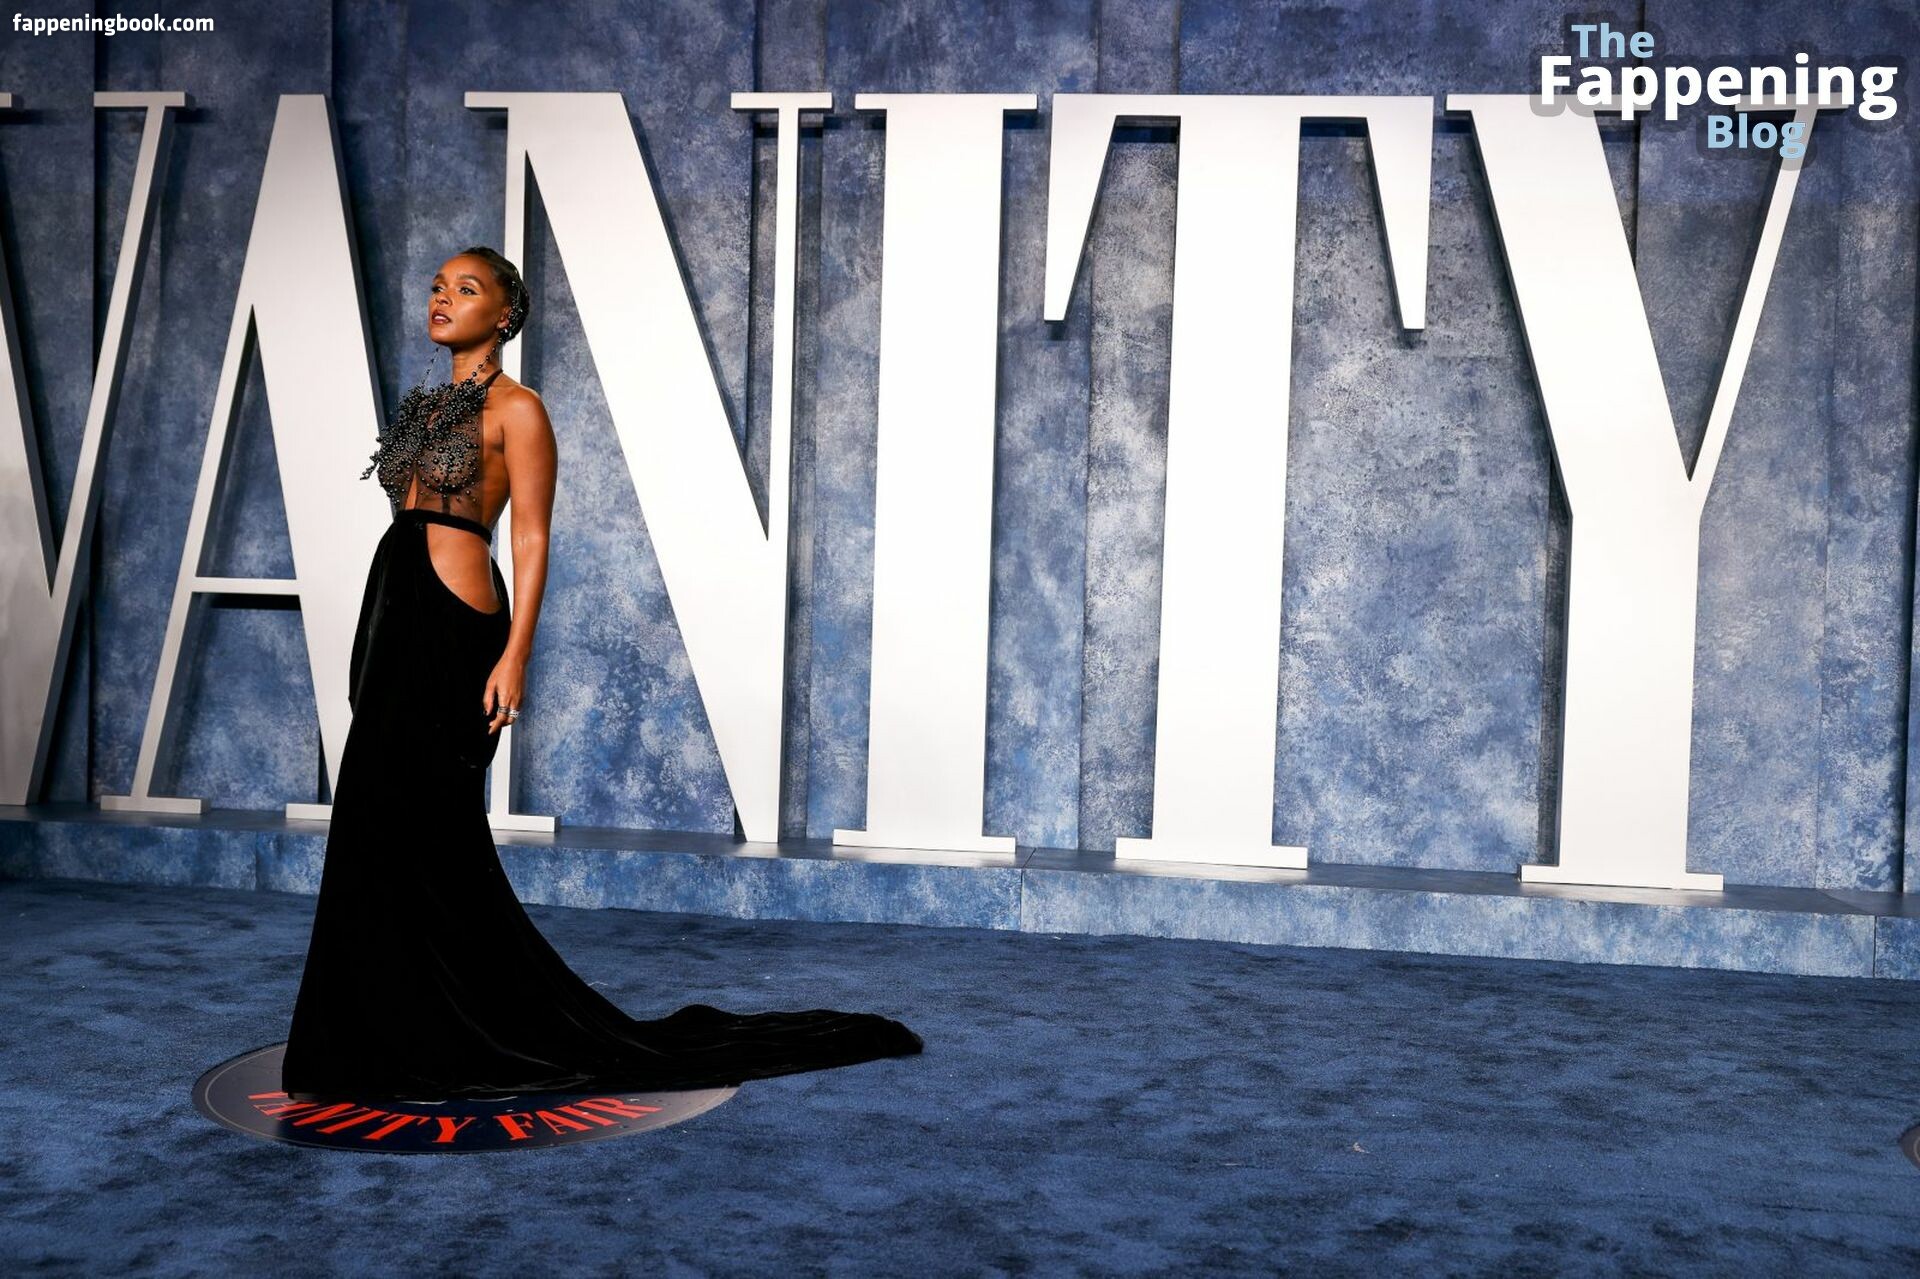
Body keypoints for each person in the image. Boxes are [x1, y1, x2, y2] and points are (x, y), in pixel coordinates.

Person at [280, 247, 921, 1100]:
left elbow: (531, 534)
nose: (442, 298)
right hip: (394, 614)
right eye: (437, 286)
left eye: (465, 289)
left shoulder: (520, 409)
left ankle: (455, 1026)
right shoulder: (428, 405)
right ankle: (373, 1031)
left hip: (454, 625)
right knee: (371, 820)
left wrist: (516, 652)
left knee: (432, 827)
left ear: (505, 314)